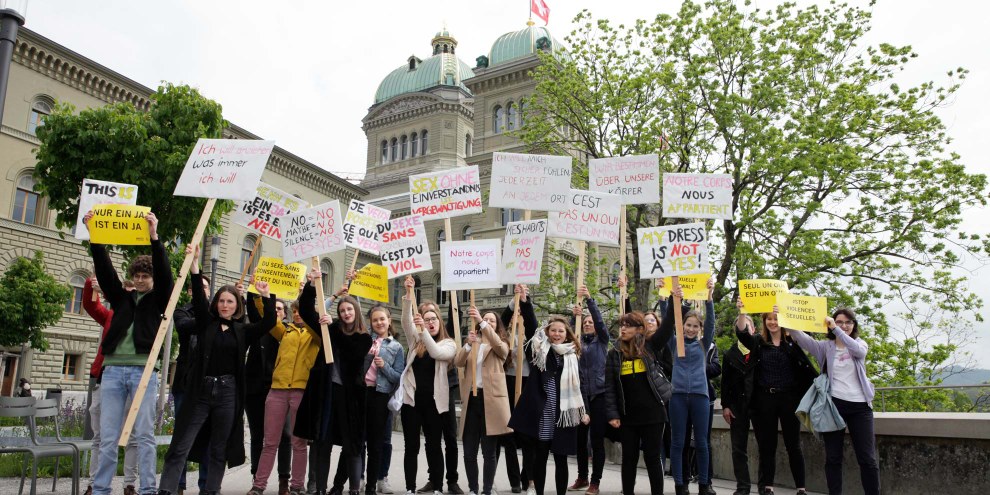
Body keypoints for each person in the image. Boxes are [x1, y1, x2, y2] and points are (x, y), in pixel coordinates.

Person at [157, 247, 277, 495]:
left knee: (218, 447)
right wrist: (194, 268)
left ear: (237, 306)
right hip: (200, 391)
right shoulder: (206, 323)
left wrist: (267, 295)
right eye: (221, 301)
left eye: (230, 301)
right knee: (181, 444)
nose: (224, 305)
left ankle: (210, 491)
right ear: (215, 303)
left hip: (228, 393)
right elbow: (199, 301)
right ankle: (166, 490)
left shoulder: (242, 330)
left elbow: (268, 323)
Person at [85, 210, 170, 495]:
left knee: (144, 435)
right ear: (132, 277)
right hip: (112, 371)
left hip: (143, 371)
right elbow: (106, 272)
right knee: (107, 436)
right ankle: (100, 489)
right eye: (138, 275)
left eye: (147, 275)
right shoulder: (121, 299)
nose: (142, 279)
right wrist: (95, 236)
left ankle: (147, 489)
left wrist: (154, 237)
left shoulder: (160, 300)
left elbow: (166, 274)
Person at [787, 308, 880, 495]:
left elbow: (858, 352)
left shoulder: (860, 344)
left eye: (848, 322)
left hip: (860, 407)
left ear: (854, 325)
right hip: (834, 406)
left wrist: (836, 330)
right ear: (831, 323)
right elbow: (803, 340)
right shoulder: (826, 347)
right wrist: (785, 318)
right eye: (840, 322)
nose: (844, 326)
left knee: (867, 458)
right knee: (833, 458)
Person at [508, 291, 589, 495]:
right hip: (543, 413)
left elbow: (580, 385)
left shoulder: (573, 355)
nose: (557, 334)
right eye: (553, 330)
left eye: (561, 331)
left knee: (561, 459)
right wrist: (526, 302)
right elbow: (532, 325)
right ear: (548, 332)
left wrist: (584, 410)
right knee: (540, 456)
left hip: (563, 414)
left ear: (567, 334)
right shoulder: (539, 350)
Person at [299, 273, 372, 495]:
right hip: (327, 394)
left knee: (352, 446)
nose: (345, 313)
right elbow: (305, 311)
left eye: (349, 310)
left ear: (356, 312)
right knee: (323, 443)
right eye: (342, 311)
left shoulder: (363, 337)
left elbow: (352, 352)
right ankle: (320, 489)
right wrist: (312, 285)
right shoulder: (331, 329)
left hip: (350, 399)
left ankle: (353, 489)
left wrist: (334, 328)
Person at [734, 300, 817, 495]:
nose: (773, 322)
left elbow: (809, 334)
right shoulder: (759, 343)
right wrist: (742, 312)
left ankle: (801, 488)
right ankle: (768, 487)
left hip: (789, 398)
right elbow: (742, 333)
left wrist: (789, 317)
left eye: (776, 319)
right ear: (764, 322)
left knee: (793, 445)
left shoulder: (792, 343)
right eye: (769, 319)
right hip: (766, 399)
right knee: (767, 445)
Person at [248, 286, 325, 495]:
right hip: (277, 390)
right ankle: (258, 485)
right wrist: (261, 296)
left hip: (301, 391)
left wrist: (310, 292)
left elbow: (319, 328)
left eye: (301, 311)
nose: (298, 314)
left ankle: (297, 486)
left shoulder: (316, 334)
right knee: (270, 441)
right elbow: (269, 318)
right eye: (296, 311)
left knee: (298, 443)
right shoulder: (285, 331)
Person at [399, 276, 456, 495]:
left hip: (434, 404)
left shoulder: (448, 343)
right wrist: (409, 294)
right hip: (412, 402)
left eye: (434, 319)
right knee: (410, 447)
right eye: (426, 318)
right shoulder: (415, 341)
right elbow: (405, 321)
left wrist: (423, 330)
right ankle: (410, 488)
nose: (430, 322)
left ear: (440, 322)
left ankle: (438, 486)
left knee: (434, 445)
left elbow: (436, 352)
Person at [82, 275, 139, 495]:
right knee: (101, 436)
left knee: (132, 436)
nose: (130, 293)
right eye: (127, 288)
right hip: (105, 377)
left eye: (133, 289)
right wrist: (92, 283)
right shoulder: (111, 315)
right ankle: (94, 483)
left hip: (133, 378)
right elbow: (90, 304)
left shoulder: (143, 314)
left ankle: (129, 484)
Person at [604, 310, 671, 495]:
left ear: (640, 329)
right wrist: (612, 414)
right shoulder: (614, 353)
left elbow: (667, 327)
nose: (623, 329)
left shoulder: (650, 346)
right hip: (627, 417)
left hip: (653, 414)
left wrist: (676, 301)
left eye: (628, 325)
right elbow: (609, 387)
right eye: (621, 325)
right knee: (629, 459)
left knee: (652, 458)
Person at [661, 280, 716, 495]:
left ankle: (704, 484)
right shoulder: (675, 342)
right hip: (677, 396)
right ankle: (680, 484)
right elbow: (667, 323)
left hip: (700, 397)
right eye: (688, 325)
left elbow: (711, 323)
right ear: (681, 325)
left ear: (700, 329)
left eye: (695, 326)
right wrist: (664, 297)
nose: (691, 329)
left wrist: (709, 298)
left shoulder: (704, 344)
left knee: (702, 442)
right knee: (677, 442)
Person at [454, 306, 513, 495]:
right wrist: (468, 345)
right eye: (484, 319)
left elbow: (502, 351)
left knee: (489, 451)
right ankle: (473, 488)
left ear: (497, 325)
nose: (487, 322)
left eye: (491, 320)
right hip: (472, 400)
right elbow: (458, 362)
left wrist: (482, 321)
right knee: (469, 451)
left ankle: (487, 489)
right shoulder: (474, 341)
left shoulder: (501, 342)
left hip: (491, 402)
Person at [172, 274, 215, 493]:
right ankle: (177, 484)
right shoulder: (182, 312)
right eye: (198, 288)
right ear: (191, 291)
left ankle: (205, 486)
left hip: (208, 386)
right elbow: (186, 326)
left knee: (207, 437)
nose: (202, 291)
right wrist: (210, 317)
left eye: (205, 287)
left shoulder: (216, 313)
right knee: (181, 436)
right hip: (185, 384)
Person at [567, 285, 609, 495]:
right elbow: (563, 335)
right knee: (580, 440)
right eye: (585, 323)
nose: (588, 324)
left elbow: (600, 323)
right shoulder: (577, 343)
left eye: (590, 322)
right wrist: (573, 318)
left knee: (597, 440)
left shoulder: (602, 341)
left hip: (600, 394)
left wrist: (590, 301)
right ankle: (582, 476)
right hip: (581, 395)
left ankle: (595, 481)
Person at [498, 286, 538, 494]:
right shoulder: (504, 337)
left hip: (527, 383)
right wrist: (513, 303)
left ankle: (528, 478)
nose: (518, 318)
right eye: (515, 316)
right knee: (508, 434)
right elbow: (500, 323)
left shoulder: (531, 339)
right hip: (507, 382)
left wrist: (525, 300)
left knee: (527, 434)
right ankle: (514, 480)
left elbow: (533, 325)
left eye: (521, 315)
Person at [362, 305, 405, 495]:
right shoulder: (365, 341)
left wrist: (384, 366)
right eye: (375, 320)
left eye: (382, 319)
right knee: (358, 439)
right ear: (370, 323)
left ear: (389, 321)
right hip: (362, 393)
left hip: (380, 396)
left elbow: (398, 377)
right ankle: (359, 479)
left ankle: (373, 483)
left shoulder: (396, 346)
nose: (379, 322)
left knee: (376, 443)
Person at [722, 313, 758, 495]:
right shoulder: (729, 354)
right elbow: (725, 382)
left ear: (754, 330)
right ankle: (742, 487)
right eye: (740, 326)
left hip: (759, 404)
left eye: (747, 326)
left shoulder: (760, 350)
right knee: (738, 449)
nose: (744, 329)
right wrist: (726, 406)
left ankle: (765, 486)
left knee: (765, 448)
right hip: (737, 405)